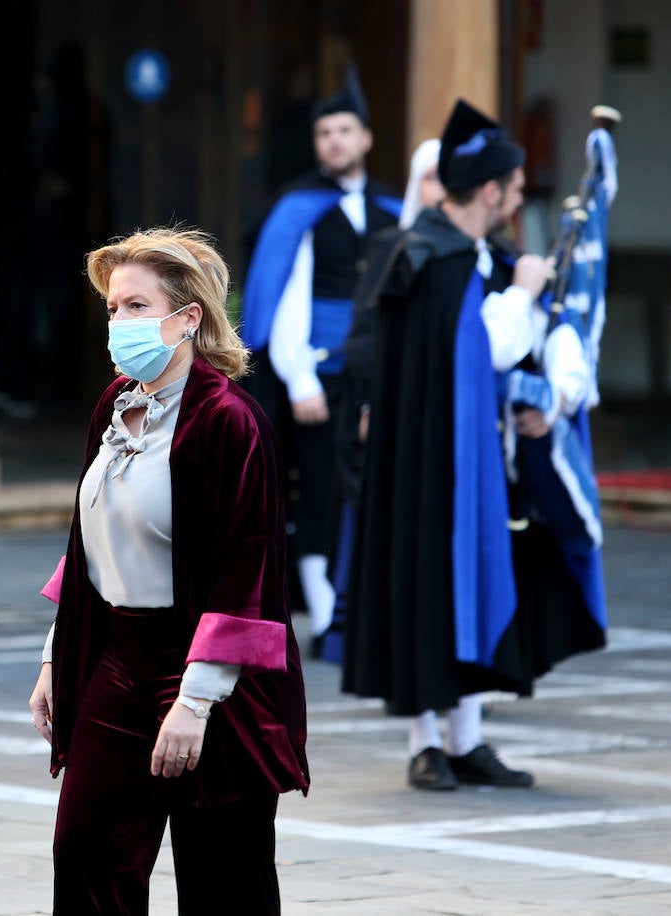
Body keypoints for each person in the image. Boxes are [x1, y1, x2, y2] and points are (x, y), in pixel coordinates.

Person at [28, 228, 308, 915]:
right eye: (113, 308)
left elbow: (250, 573)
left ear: (187, 319)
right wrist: (53, 659)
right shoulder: (113, 406)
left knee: (224, 879)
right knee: (86, 856)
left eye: (134, 306)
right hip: (116, 660)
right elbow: (91, 541)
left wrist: (194, 702)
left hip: (212, 680)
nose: (117, 323)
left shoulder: (230, 421)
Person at [342, 99, 605, 792]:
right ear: (489, 191)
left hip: (479, 458)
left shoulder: (473, 256)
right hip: (427, 460)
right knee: (429, 586)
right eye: (514, 191)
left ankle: (467, 737)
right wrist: (522, 295)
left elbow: (513, 357)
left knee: (480, 585)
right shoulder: (429, 256)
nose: (517, 202)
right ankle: (426, 741)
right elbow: (485, 347)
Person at [238, 66, 402, 661]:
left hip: (382, 375)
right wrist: (300, 376)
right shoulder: (297, 207)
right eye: (323, 133)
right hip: (320, 376)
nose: (334, 141)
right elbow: (285, 297)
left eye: (344, 130)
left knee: (378, 491)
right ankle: (329, 617)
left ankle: (371, 609)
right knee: (318, 494)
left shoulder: (395, 208)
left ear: (366, 138)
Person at [322, 138, 444, 666]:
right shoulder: (394, 247)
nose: (440, 190)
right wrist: (372, 405)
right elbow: (368, 334)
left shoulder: (486, 254)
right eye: (431, 177)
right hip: (399, 412)